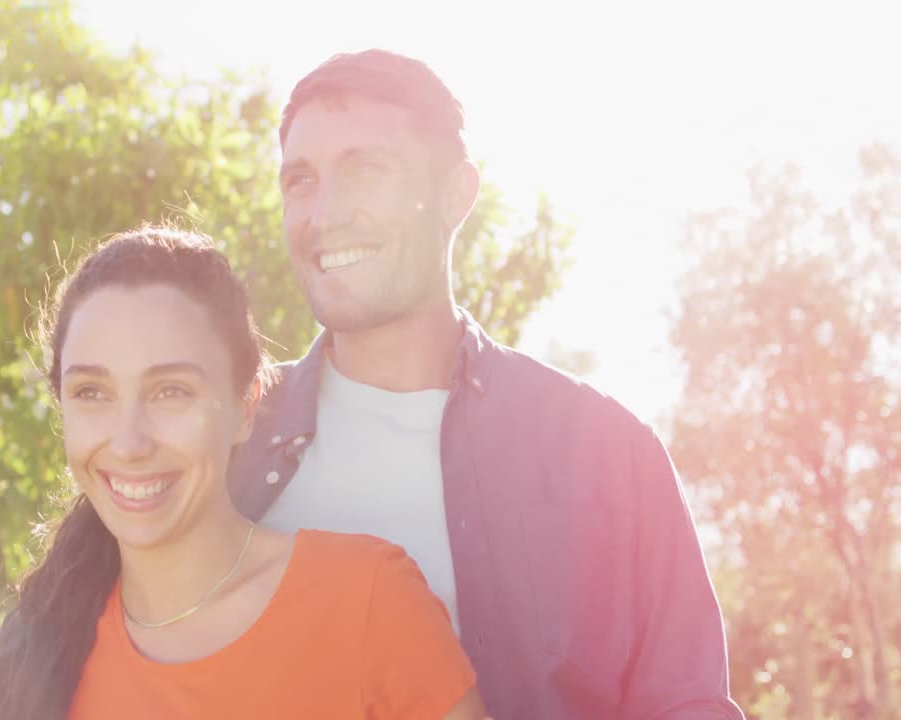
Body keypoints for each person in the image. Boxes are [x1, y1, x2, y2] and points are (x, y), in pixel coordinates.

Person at [228, 50, 745, 719]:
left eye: (364, 169)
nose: (322, 214)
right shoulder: (226, 449)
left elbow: (686, 706)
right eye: (300, 180)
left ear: (454, 196)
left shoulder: (610, 457)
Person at [0, 225, 484, 720]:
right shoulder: (37, 664)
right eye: (92, 393)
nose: (129, 443)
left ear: (246, 406)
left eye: (171, 392)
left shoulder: (370, 603)